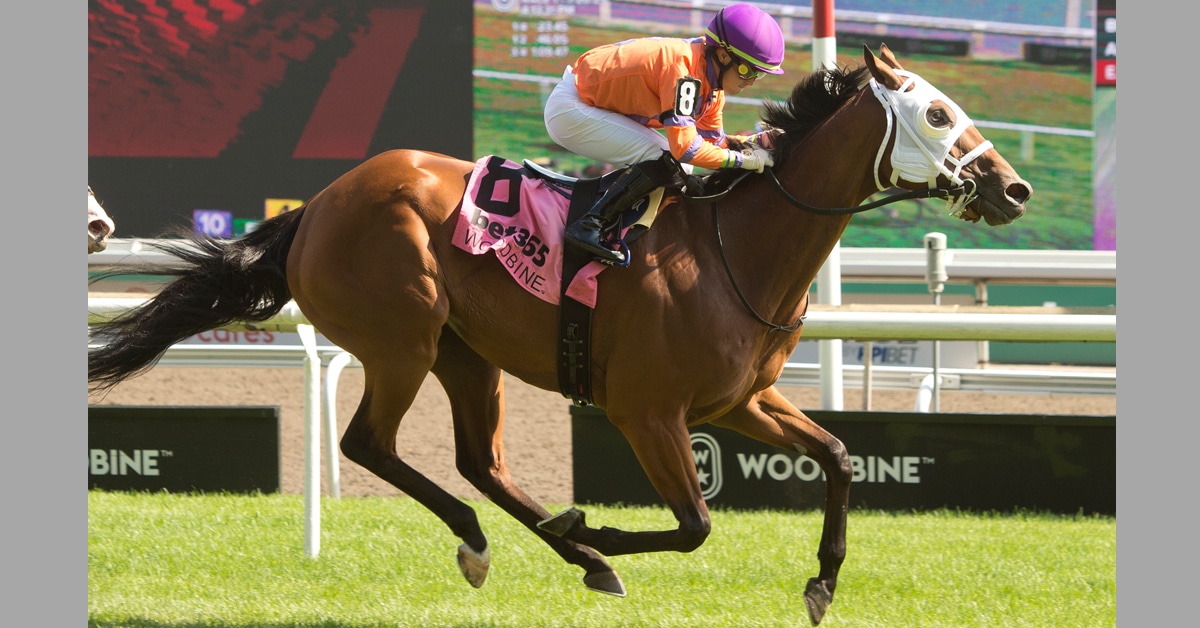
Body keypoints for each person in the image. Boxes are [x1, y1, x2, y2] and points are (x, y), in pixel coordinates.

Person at [544, 2, 785, 264]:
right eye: (747, 70)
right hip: (572, 108)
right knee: (668, 158)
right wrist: (744, 160)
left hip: (590, 103)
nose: (751, 81)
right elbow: (687, 149)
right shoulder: (685, 74)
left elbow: (714, 143)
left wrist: (753, 143)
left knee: (679, 166)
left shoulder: (711, 87)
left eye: (759, 75)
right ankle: (590, 225)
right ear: (724, 56)